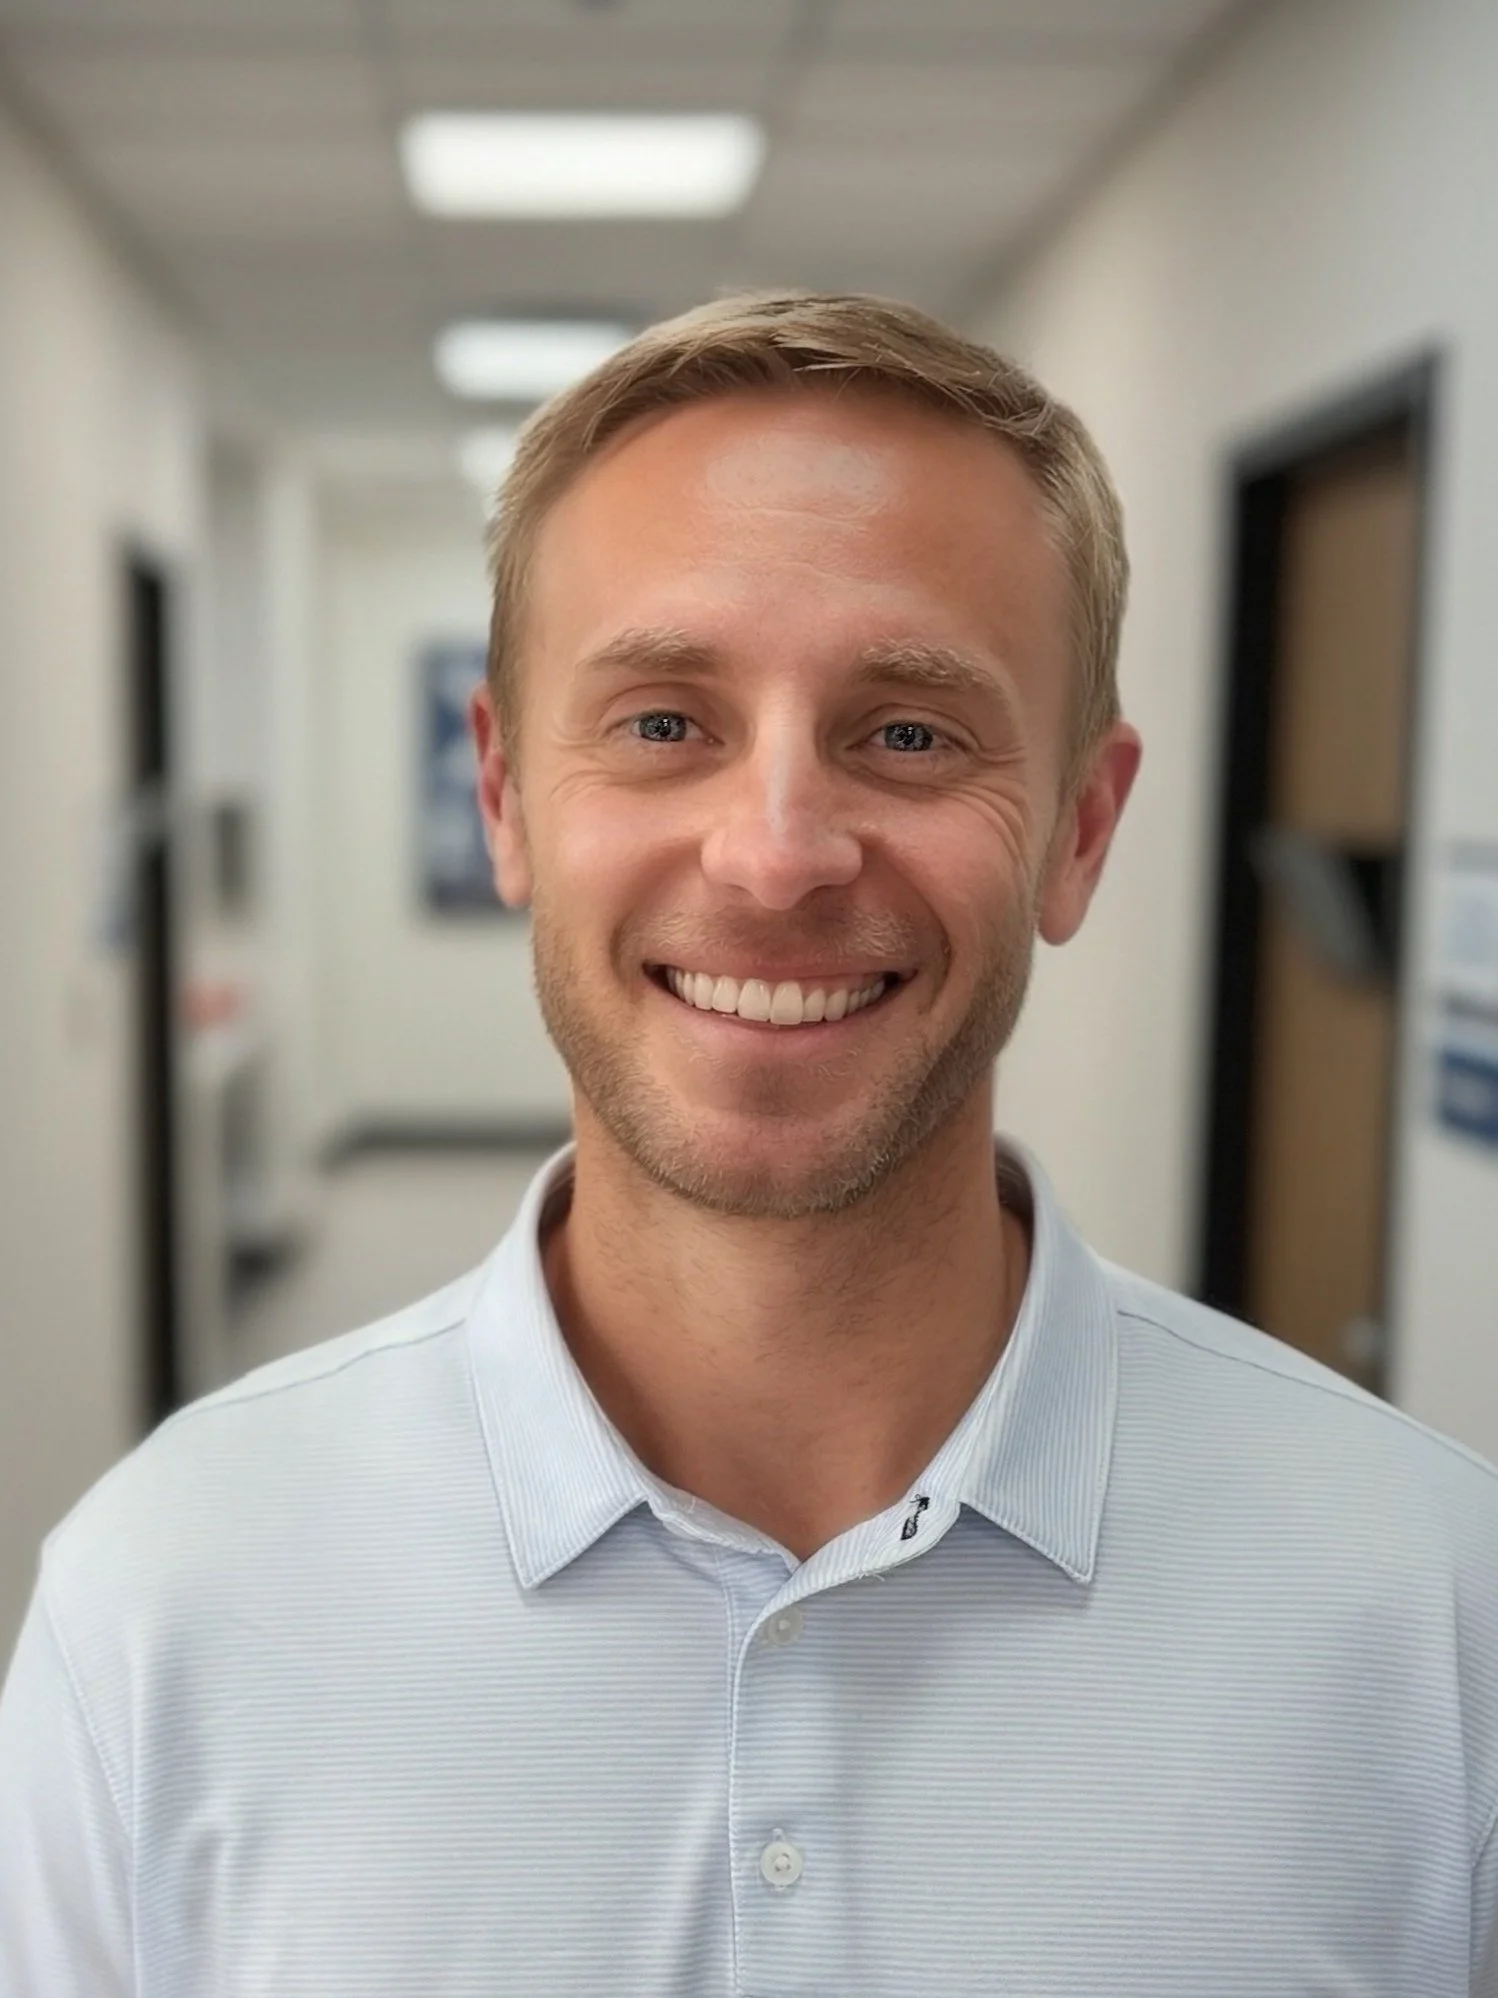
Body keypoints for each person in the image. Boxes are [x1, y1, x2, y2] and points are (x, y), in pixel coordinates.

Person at [2, 291, 1496, 1996]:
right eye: (661, 722)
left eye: (909, 730)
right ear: (503, 800)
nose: (778, 852)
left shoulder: (1433, 1616)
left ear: (1078, 828)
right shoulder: (164, 1602)